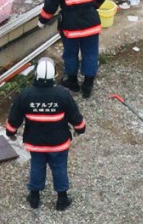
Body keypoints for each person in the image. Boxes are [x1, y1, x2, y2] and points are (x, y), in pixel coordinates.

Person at [5, 57, 85, 211]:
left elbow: (14, 118)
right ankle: (62, 199)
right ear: (53, 75)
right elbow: (75, 117)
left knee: (37, 166)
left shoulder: (26, 95)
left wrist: (10, 132)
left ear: (36, 74)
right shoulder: (62, 94)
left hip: (35, 143)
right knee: (59, 167)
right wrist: (80, 129)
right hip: (59, 143)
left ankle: (34, 197)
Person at [38, 0, 107, 98]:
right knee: (90, 53)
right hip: (91, 24)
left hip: (70, 27)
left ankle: (73, 82)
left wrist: (42, 21)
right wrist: (91, 8)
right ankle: (88, 85)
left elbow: (50, 5)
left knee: (70, 54)